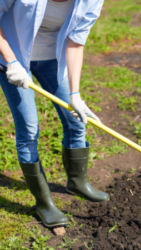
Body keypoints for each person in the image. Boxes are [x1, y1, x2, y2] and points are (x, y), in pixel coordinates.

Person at [0, 0, 109, 228]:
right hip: (14, 57)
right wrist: (11, 62)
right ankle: (44, 203)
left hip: (53, 59)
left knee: (76, 120)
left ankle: (77, 182)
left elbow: (76, 43)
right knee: (29, 130)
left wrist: (75, 94)